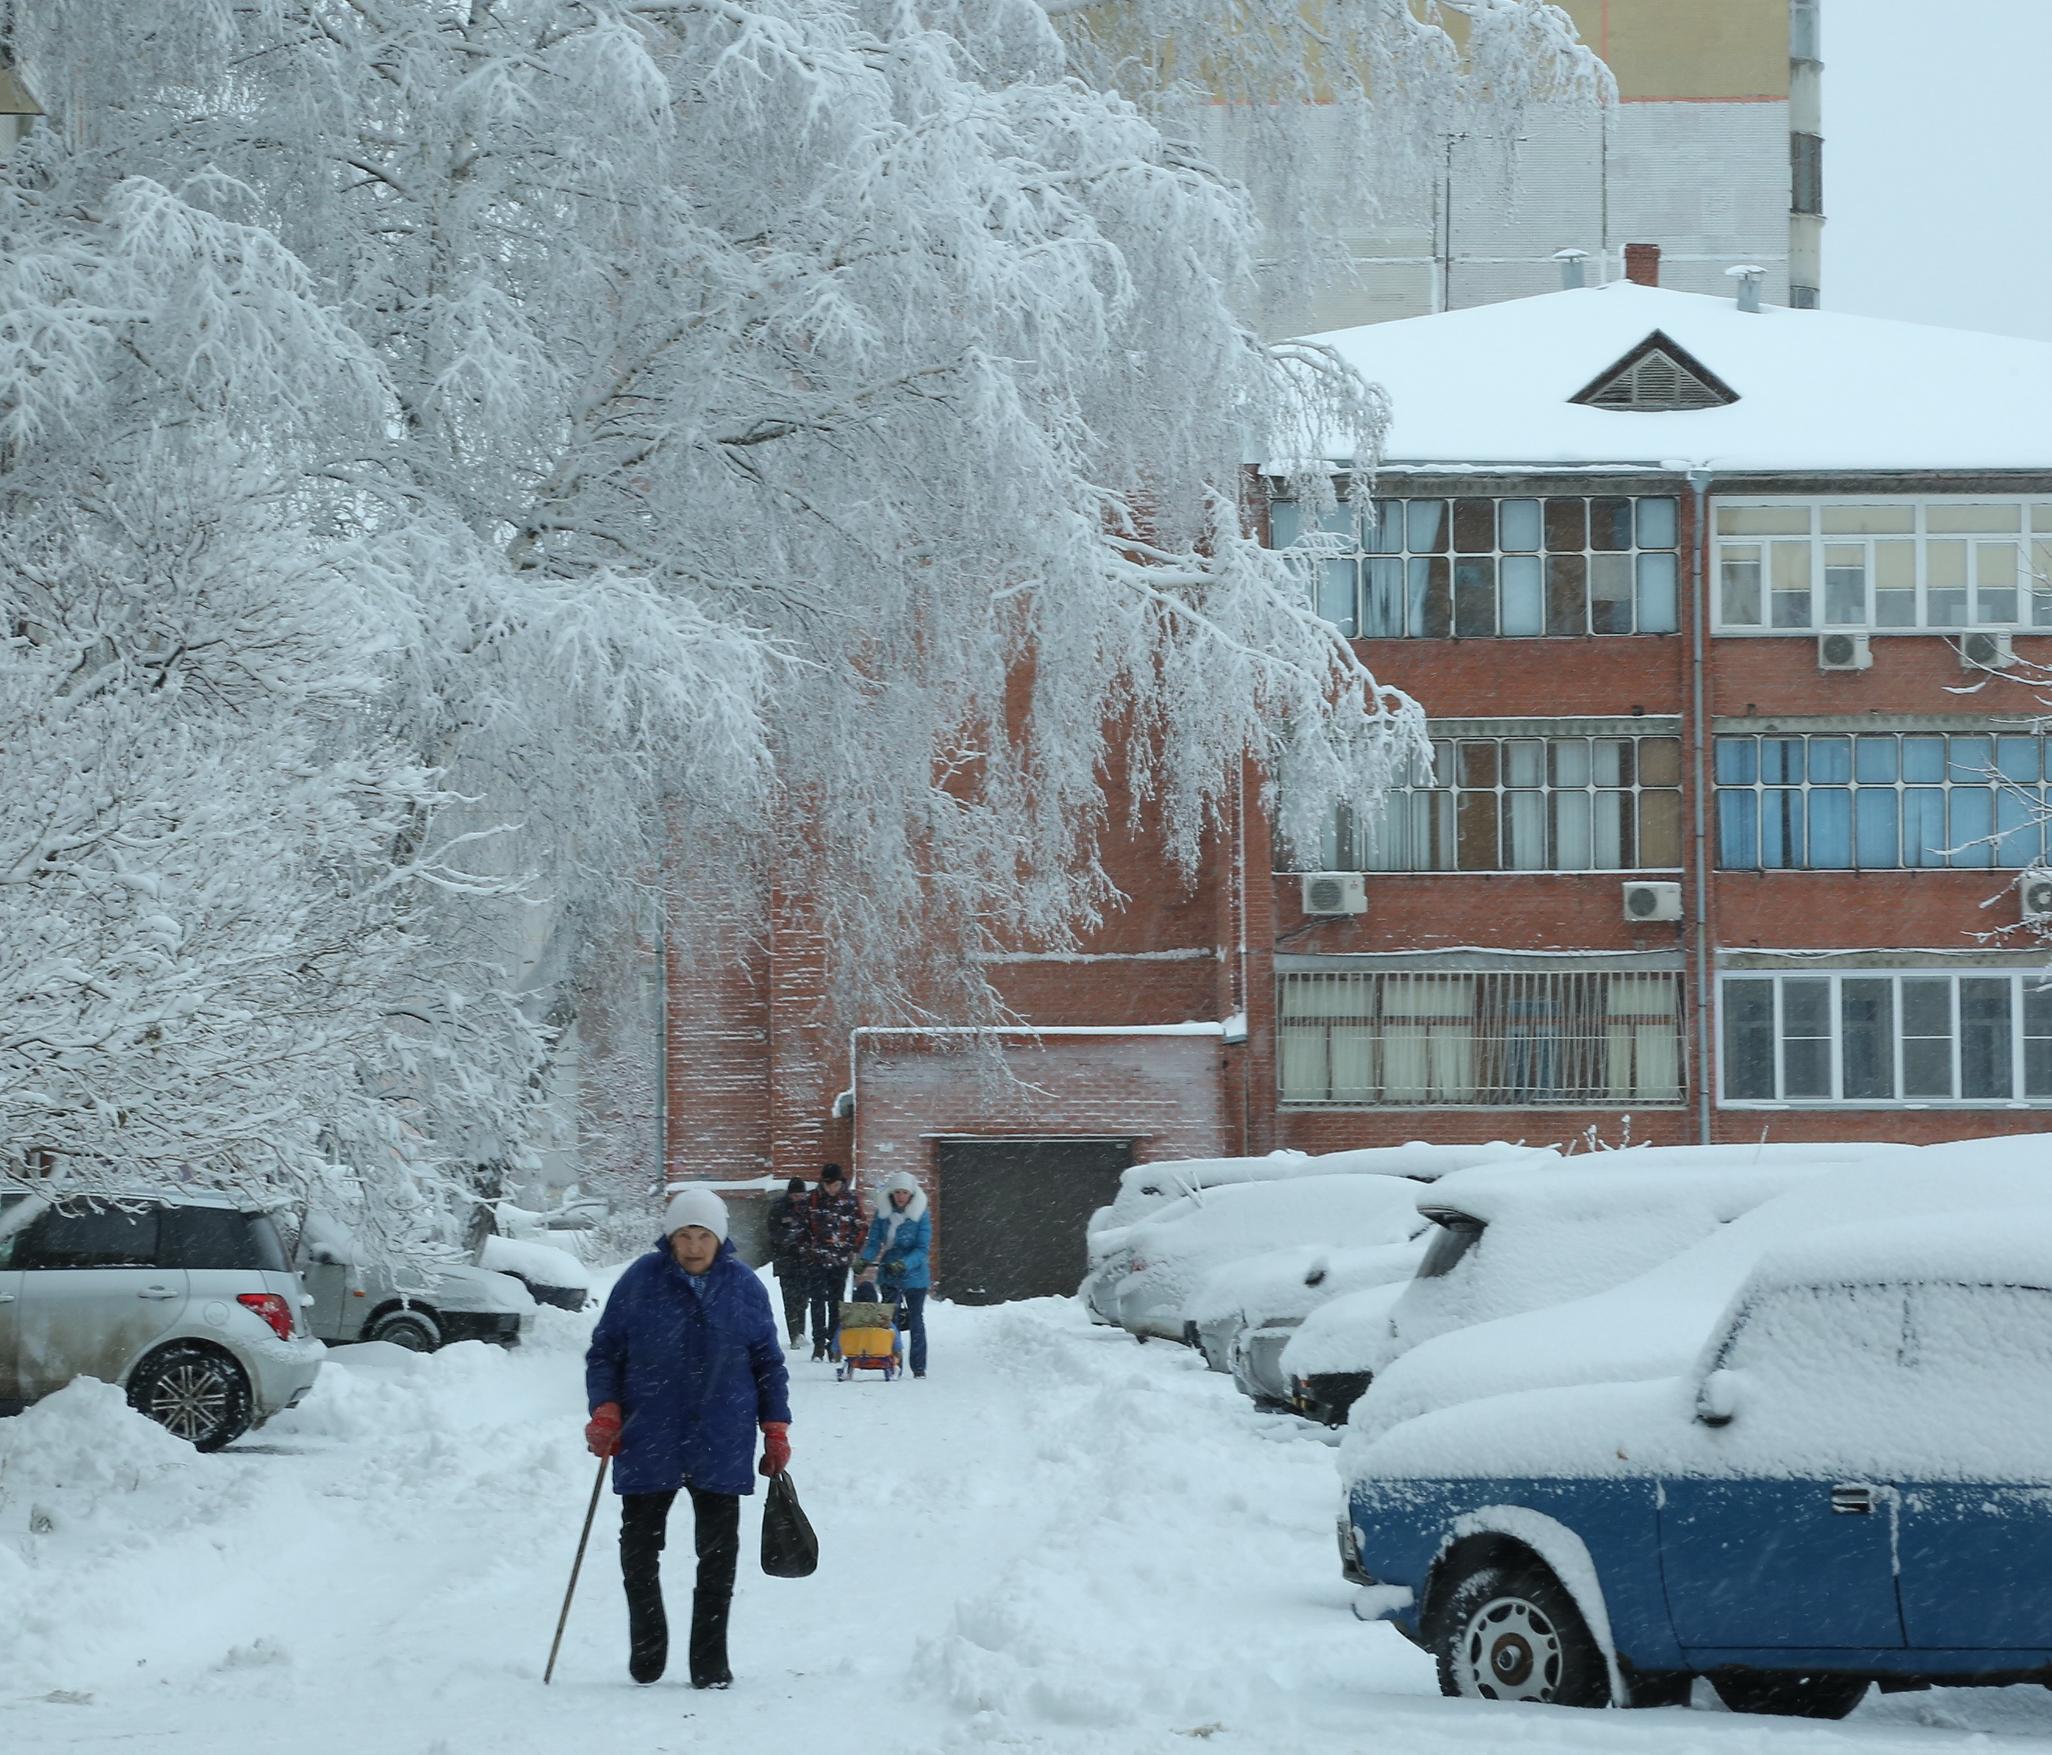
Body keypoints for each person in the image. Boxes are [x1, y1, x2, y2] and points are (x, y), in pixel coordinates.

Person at [584, 1185, 791, 1691]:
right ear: (670, 1238)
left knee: (718, 1558)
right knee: (638, 1551)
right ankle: (649, 1647)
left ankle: (709, 1663)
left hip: (721, 1437)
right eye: (684, 1235)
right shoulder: (639, 1283)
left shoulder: (744, 1288)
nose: (694, 1246)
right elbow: (605, 1351)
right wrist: (606, 1409)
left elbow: (767, 1362)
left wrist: (776, 1426)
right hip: (647, 1434)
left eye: (703, 1235)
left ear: (720, 1239)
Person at [853, 1169, 932, 1379]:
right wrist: (864, 1259)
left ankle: (919, 1366)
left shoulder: (920, 1215)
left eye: (904, 1192)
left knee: (916, 1320)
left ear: (911, 1195)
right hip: (889, 1272)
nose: (900, 1196)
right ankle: (893, 1361)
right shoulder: (883, 1214)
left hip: (915, 1274)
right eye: (897, 1192)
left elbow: (922, 1249)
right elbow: (874, 1242)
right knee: (891, 1320)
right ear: (891, 1193)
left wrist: (904, 1264)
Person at [800, 1163, 862, 1362]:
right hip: (816, 1259)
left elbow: (861, 1226)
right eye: (828, 1185)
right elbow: (802, 1227)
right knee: (817, 1301)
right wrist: (808, 1249)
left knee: (836, 1302)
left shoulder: (850, 1200)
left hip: (840, 1260)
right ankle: (818, 1343)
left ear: (840, 1183)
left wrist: (852, 1247)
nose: (831, 1189)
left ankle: (834, 1343)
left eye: (835, 1185)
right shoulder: (812, 1200)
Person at [764, 1175, 810, 1348]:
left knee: (803, 1300)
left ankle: (801, 1332)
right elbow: (773, 1232)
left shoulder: (808, 1208)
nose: (798, 1199)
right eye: (795, 1196)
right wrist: (790, 1239)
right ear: (789, 1194)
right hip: (786, 1261)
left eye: (801, 1196)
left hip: (805, 1261)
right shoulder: (778, 1208)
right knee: (790, 1299)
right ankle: (794, 1335)